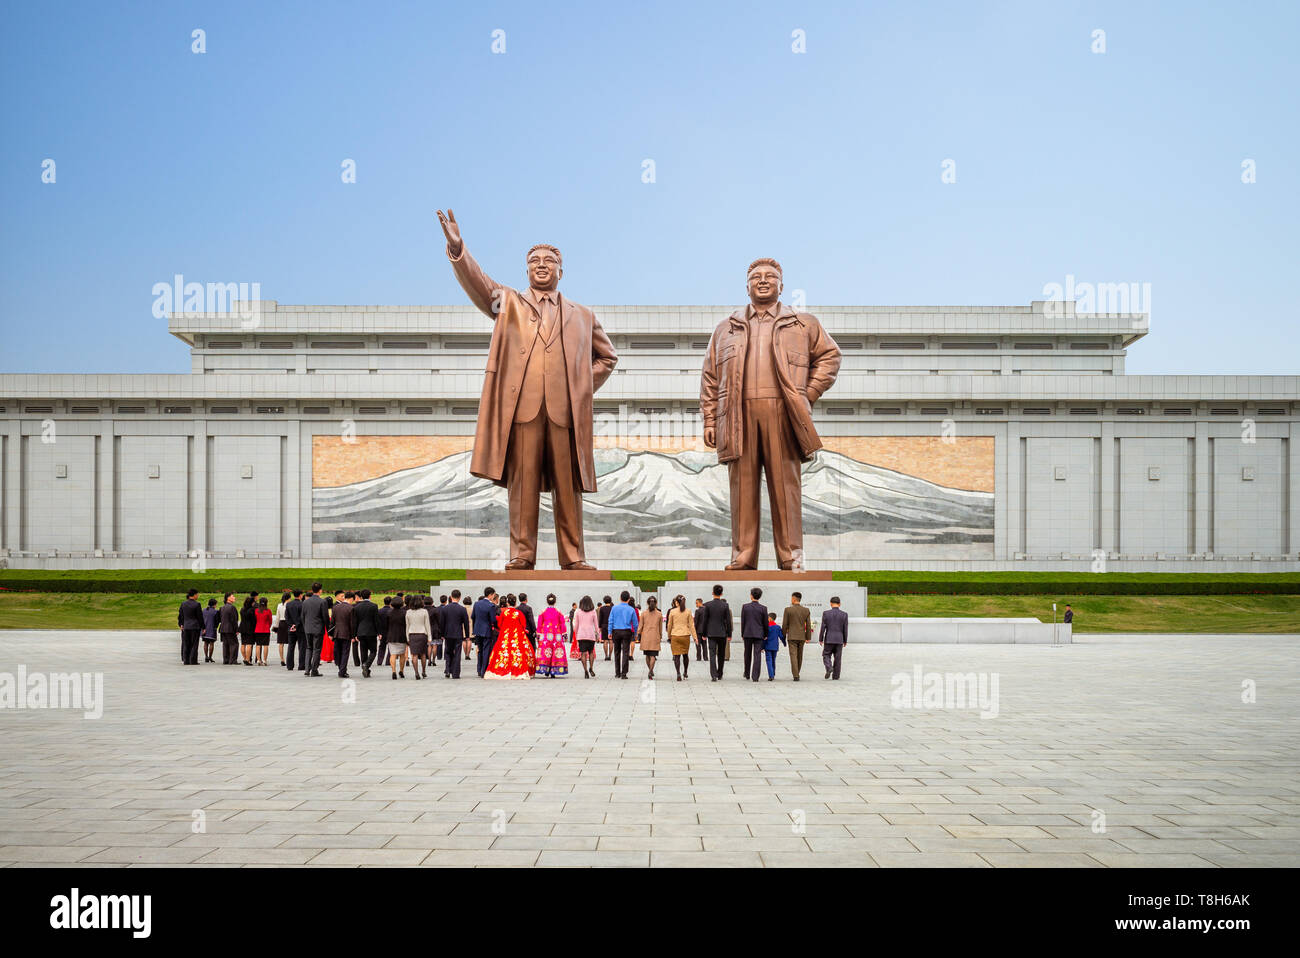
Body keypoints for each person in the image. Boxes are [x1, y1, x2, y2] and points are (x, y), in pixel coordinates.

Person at [436, 208, 618, 571]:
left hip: (565, 415)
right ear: (526, 270)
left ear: (561, 271)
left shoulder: (583, 315)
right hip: (522, 411)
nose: (541, 265)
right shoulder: (509, 304)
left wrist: (580, 389)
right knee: (522, 486)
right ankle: (522, 554)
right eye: (534, 260)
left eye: (549, 261)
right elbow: (480, 284)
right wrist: (459, 250)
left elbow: (607, 358)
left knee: (569, 487)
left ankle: (574, 556)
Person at [699, 257, 842, 570]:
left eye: (770, 276)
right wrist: (710, 420)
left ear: (781, 285)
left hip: (783, 414)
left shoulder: (803, 323)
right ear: (747, 286)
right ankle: (743, 556)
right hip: (737, 415)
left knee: (785, 488)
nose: (762, 280)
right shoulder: (726, 328)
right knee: (742, 490)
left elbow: (830, 357)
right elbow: (710, 377)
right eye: (756, 277)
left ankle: (791, 557)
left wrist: (809, 393)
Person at [485, 593, 535, 679]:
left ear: (508, 603)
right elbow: (523, 624)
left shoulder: (504, 613)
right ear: (515, 603)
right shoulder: (518, 613)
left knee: (503, 651)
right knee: (520, 652)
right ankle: (519, 669)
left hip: (506, 635)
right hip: (517, 635)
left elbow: (500, 624)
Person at [700, 584, 732, 681]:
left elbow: (705, 621)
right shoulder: (725, 605)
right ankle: (720, 673)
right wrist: (729, 634)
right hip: (722, 633)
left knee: (712, 653)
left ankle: (713, 675)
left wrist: (704, 634)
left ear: (712, 593)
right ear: (721, 593)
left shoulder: (707, 605)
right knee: (721, 654)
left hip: (711, 633)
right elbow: (728, 621)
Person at [535, 593, 570, 678]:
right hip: (556, 635)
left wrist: (538, 635)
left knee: (546, 652)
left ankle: (546, 670)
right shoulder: (558, 612)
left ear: (547, 601)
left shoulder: (543, 612)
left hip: (546, 635)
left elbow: (539, 624)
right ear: (555, 601)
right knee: (555, 651)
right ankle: (553, 671)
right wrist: (564, 634)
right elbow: (562, 624)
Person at [607, 590, 638, 679]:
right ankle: (624, 673)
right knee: (625, 652)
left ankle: (617, 673)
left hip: (616, 631)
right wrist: (635, 633)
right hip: (626, 631)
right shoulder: (631, 609)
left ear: (620, 598)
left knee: (616, 652)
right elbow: (635, 623)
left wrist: (609, 632)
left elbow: (611, 621)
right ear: (628, 599)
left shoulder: (614, 608)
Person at [665, 594, 697, 681]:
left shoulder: (672, 611)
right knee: (685, 655)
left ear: (677, 602)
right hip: (685, 635)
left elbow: (669, 625)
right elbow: (691, 625)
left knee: (676, 656)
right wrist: (695, 637)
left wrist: (669, 636)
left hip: (675, 635)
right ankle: (685, 672)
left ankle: (678, 673)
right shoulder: (688, 611)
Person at [781, 591, 811, 681]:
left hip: (792, 636)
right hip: (802, 636)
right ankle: (797, 672)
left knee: (793, 655)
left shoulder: (788, 610)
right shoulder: (806, 610)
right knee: (800, 655)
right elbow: (808, 625)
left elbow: (785, 624)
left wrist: (783, 636)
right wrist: (808, 637)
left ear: (793, 599)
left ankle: (796, 675)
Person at [740, 587, 768, 682]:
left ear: (751, 595)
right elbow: (765, 623)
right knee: (757, 655)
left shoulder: (745, 607)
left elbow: (743, 621)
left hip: (747, 633)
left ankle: (747, 673)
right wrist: (765, 634)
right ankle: (755, 676)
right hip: (759, 634)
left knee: (747, 654)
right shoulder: (763, 608)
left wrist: (742, 633)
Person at [301, 583, 328, 678]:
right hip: (318, 629)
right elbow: (325, 617)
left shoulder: (305, 602)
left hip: (308, 628)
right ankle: (314, 670)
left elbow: (302, 617)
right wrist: (328, 629)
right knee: (317, 649)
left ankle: (307, 669)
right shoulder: (322, 602)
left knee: (309, 648)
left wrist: (305, 627)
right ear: (320, 590)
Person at [819, 596, 849, 680]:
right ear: (839, 604)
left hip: (829, 638)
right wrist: (845, 640)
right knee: (838, 658)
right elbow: (845, 629)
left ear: (831, 603)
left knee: (826, 654)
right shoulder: (844, 614)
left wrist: (821, 639)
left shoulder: (826, 613)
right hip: (839, 639)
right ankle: (836, 676)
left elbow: (823, 627)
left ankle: (829, 667)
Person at [441, 590, 470, 679]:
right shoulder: (462, 609)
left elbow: (442, 623)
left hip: (448, 633)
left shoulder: (445, 608)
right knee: (457, 653)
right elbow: (466, 623)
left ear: (451, 597)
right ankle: (455, 673)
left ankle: (447, 670)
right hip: (458, 633)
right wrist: (467, 635)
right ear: (460, 597)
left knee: (448, 652)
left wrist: (442, 634)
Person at [472, 588, 499, 678]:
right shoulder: (490, 605)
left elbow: (473, 616)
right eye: (493, 595)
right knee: (486, 650)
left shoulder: (476, 604)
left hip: (478, 629)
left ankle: (479, 669)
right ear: (490, 595)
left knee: (480, 649)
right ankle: (484, 670)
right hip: (486, 630)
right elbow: (493, 619)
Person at [353, 589, 379, 678]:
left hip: (360, 631)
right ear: (370, 596)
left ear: (361, 597)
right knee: (373, 651)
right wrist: (379, 632)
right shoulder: (374, 606)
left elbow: (354, 622)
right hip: (371, 632)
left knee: (363, 651)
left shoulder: (356, 607)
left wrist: (354, 634)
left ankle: (365, 669)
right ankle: (366, 665)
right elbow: (376, 621)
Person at [635, 595, 663, 680]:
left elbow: (640, 626)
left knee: (647, 655)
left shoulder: (643, 613)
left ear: (647, 603)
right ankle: (651, 670)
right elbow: (660, 626)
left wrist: (638, 634)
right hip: (655, 636)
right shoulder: (659, 614)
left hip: (646, 636)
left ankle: (650, 670)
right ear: (656, 603)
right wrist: (660, 635)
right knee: (653, 655)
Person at [571, 595, 599, 679]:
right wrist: (597, 634)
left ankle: (586, 671)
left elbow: (576, 625)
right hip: (591, 634)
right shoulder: (593, 611)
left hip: (581, 634)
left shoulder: (578, 611)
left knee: (583, 653)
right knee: (591, 652)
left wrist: (575, 634)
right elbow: (596, 624)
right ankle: (591, 668)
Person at [405, 594, 432, 679]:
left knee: (414, 655)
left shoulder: (408, 612)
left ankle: (416, 672)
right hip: (422, 634)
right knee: (423, 654)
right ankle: (423, 671)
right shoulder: (424, 611)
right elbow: (427, 625)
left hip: (412, 634)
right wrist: (429, 637)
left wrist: (407, 637)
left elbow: (407, 626)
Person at [177, 588, 203, 665]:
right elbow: (200, 617)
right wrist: (203, 627)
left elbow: (180, 616)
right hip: (195, 627)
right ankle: (193, 660)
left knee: (186, 644)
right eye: (197, 594)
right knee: (194, 644)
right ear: (194, 595)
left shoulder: (183, 604)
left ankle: (186, 660)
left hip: (186, 626)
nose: (197, 596)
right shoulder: (197, 604)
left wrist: (181, 624)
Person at [387, 595, 409, 679]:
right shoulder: (404, 613)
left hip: (391, 635)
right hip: (402, 635)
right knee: (402, 655)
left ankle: (393, 671)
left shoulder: (389, 613)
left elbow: (386, 625)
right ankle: (401, 671)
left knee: (393, 654)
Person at [283, 589, 305, 670]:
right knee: (302, 647)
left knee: (291, 647)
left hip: (291, 629)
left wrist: (291, 625)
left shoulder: (288, 604)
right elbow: (302, 617)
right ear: (300, 595)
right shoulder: (302, 604)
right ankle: (301, 665)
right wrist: (296, 625)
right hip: (300, 629)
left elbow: (286, 616)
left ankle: (289, 665)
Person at [218, 592, 240, 664]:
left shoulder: (222, 608)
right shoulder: (232, 608)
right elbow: (234, 620)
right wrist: (236, 629)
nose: (234, 598)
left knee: (225, 644)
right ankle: (233, 660)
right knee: (234, 644)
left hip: (223, 628)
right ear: (228, 598)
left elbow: (219, 618)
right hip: (230, 629)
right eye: (232, 596)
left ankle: (226, 659)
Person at [239, 592, 258, 666]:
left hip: (242, 627)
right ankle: (248, 659)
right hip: (250, 628)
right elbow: (254, 620)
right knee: (249, 644)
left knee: (243, 644)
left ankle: (244, 658)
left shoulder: (242, 609)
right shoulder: (252, 610)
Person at [764, 612, 785, 680]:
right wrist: (784, 643)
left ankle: (771, 675)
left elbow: (764, 638)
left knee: (768, 660)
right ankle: (773, 673)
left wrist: (762, 647)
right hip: (775, 646)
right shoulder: (778, 627)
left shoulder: (767, 627)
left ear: (770, 618)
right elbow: (781, 636)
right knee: (773, 660)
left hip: (767, 646)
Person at [272, 591, 291, 666]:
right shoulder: (289, 605)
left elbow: (277, 617)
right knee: (290, 642)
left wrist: (276, 627)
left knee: (281, 643)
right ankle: (289, 659)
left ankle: (282, 659)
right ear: (288, 598)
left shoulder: (279, 605)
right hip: (288, 623)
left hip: (281, 624)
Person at [253, 596, 273, 666]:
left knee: (258, 645)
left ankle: (258, 660)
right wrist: (268, 626)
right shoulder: (268, 611)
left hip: (257, 629)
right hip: (266, 630)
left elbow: (255, 620)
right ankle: (264, 660)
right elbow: (270, 620)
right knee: (265, 645)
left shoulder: (256, 611)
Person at [200, 596, 219, 663]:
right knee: (211, 643)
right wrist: (215, 627)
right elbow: (217, 621)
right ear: (214, 604)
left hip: (204, 629)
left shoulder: (204, 610)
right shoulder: (215, 612)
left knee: (205, 643)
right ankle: (210, 657)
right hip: (212, 629)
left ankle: (206, 656)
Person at [598, 595, 613, 661]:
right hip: (611, 626)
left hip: (604, 625)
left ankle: (606, 655)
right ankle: (610, 655)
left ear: (604, 601)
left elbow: (600, 618)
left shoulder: (602, 608)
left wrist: (600, 626)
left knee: (605, 641)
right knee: (611, 641)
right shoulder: (613, 608)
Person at [693, 597, 707, 662]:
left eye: (696, 603)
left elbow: (696, 622)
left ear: (700, 603)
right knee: (704, 644)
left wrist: (694, 631)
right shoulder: (706, 610)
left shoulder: (697, 611)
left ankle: (699, 657)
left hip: (698, 630)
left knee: (698, 644)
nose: (696, 604)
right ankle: (705, 657)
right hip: (705, 630)